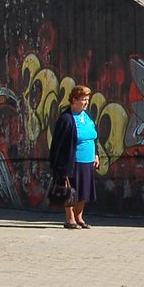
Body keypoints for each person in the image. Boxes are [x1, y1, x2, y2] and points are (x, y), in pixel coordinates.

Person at [48, 84, 99, 230]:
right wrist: (58, 166)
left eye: (87, 100)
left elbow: (94, 137)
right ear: (74, 100)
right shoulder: (66, 119)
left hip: (88, 161)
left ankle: (79, 217)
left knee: (84, 191)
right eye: (83, 99)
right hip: (72, 161)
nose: (86, 103)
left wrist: (96, 155)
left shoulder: (87, 117)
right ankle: (70, 219)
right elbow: (58, 143)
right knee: (71, 191)